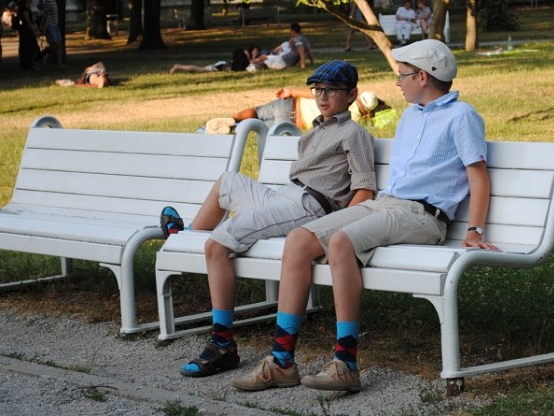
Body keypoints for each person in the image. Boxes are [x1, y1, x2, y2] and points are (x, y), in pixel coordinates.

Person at [228, 39, 496, 394]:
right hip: (387, 204)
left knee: (340, 243)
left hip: (422, 215)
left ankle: (346, 364)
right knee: (300, 240)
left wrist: (474, 229)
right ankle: (281, 361)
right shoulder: (412, 115)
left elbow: (478, 175)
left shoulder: (462, 117)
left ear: (422, 76)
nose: (397, 83)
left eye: (402, 76)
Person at [161, 60, 377, 379]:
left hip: (309, 206)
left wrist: (338, 229)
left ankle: (222, 344)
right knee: (228, 182)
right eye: (318, 89)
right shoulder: (317, 129)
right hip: (285, 196)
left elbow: (365, 189)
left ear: (351, 95)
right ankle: (185, 234)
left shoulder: (354, 134)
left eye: (332, 90)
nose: (322, 96)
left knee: (218, 244)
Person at [203, 87, 396, 134]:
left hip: (291, 104)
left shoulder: (340, 95)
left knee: (255, 111)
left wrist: (291, 91)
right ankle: (236, 129)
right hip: (293, 123)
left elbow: (313, 92)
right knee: (260, 127)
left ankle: (232, 119)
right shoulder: (350, 117)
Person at [248, 23, 314, 70]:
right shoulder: (304, 39)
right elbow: (309, 52)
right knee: (264, 59)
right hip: (285, 60)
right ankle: (252, 64)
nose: (290, 32)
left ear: (293, 31)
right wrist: (312, 63)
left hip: (284, 61)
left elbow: (302, 54)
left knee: (263, 57)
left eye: (290, 30)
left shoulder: (297, 40)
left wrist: (303, 67)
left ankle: (250, 63)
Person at [169, 47, 256, 74]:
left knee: (202, 69)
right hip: (221, 65)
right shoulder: (246, 66)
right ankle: (178, 66)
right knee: (202, 69)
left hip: (223, 64)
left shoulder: (240, 65)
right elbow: (253, 68)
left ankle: (179, 67)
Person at [15, 0, 40, 71]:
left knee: (32, 47)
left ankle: (31, 64)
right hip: (26, 30)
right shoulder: (24, 9)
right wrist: (34, 31)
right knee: (28, 47)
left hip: (27, 29)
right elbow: (28, 21)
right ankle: (28, 65)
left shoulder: (28, 7)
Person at [41, 0, 65, 66]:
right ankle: (42, 58)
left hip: (55, 25)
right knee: (53, 44)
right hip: (50, 25)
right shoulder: (48, 1)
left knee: (59, 43)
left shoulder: (55, 0)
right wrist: (43, 27)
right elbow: (45, 14)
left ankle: (59, 62)